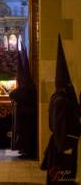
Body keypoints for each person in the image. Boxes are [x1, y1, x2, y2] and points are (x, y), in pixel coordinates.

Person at [41, 35, 81, 184]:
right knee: (62, 175)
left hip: (67, 142)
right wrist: (64, 146)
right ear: (66, 86)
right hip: (63, 144)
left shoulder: (62, 98)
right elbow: (58, 125)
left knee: (66, 174)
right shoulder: (60, 100)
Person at [9, 50, 37, 158]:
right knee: (24, 133)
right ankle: (24, 150)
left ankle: (27, 151)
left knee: (26, 134)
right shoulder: (29, 87)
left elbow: (13, 94)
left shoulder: (26, 88)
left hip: (26, 115)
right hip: (26, 115)